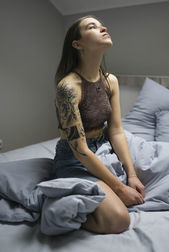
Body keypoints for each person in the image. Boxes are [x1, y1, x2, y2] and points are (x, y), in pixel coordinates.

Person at [52, 15, 145, 234]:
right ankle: (56, 207)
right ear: (77, 44)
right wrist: (120, 188)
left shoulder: (110, 80)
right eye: (92, 27)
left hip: (103, 145)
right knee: (119, 220)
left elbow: (115, 130)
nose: (103, 28)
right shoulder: (68, 87)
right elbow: (81, 150)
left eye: (102, 25)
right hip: (76, 158)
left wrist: (131, 175)